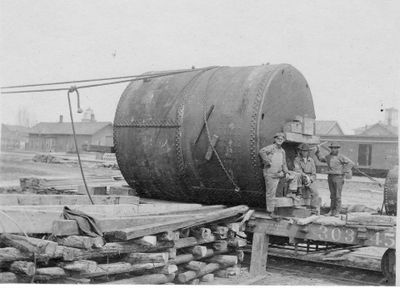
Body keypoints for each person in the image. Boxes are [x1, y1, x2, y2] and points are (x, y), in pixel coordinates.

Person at [315, 142, 354, 216]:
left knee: (337, 196)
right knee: (332, 195)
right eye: (332, 148)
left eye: (336, 148)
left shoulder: (341, 157)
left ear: (338, 149)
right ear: (331, 149)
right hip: (330, 177)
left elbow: (351, 163)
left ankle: (337, 211)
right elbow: (321, 159)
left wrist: (344, 171)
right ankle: (331, 211)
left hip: (338, 178)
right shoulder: (328, 157)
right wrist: (318, 151)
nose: (334, 149)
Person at [259, 132, 289, 214]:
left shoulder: (282, 151)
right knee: (270, 193)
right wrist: (267, 161)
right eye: (278, 139)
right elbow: (262, 151)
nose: (280, 140)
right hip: (270, 174)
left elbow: (284, 163)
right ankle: (271, 211)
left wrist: (287, 172)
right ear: (275, 139)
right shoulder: (271, 148)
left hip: (278, 174)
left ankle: (277, 210)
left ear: (283, 140)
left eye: (281, 139)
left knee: (278, 193)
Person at [293, 143, 321, 215]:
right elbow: (297, 170)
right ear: (301, 151)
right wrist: (305, 176)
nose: (304, 152)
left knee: (315, 193)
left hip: (310, 179)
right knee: (298, 177)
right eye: (303, 151)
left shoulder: (311, 160)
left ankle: (313, 208)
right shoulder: (297, 160)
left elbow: (314, 173)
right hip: (301, 178)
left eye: (306, 151)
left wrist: (310, 179)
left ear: (308, 152)